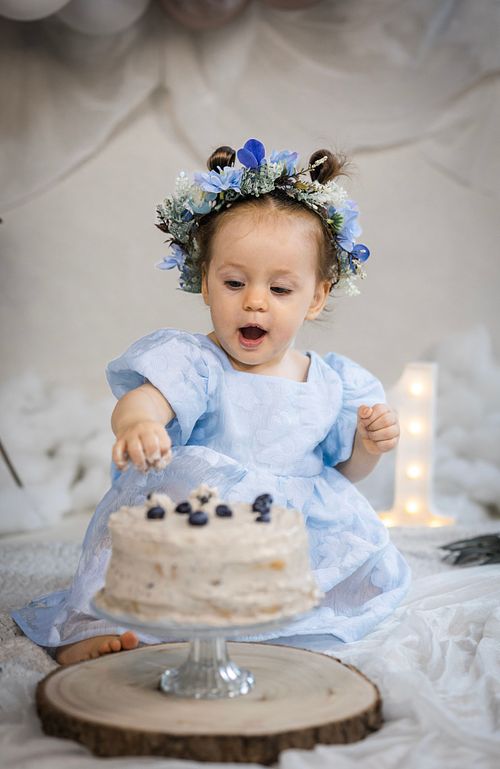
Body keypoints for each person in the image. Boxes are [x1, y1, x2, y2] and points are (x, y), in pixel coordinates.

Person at [12, 139, 411, 665]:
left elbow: (346, 471)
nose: (255, 301)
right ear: (205, 283)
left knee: (342, 579)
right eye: (234, 282)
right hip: (198, 518)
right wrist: (139, 424)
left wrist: (368, 446)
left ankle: (271, 631)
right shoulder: (198, 363)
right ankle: (97, 630)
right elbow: (148, 399)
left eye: (281, 289)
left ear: (316, 297)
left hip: (286, 536)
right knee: (139, 578)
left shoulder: (334, 382)